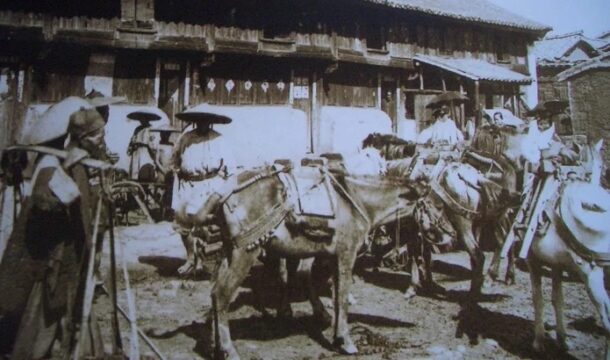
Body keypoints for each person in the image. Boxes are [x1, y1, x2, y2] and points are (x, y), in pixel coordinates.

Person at [0, 105, 111, 359]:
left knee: (72, 307)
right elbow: (41, 201)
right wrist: (64, 188)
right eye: (97, 135)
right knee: (44, 314)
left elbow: (84, 202)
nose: (102, 139)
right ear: (82, 138)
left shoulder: (84, 163)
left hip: (76, 252)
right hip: (52, 255)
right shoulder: (53, 162)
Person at [171, 111, 236, 275]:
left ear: (211, 122)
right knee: (183, 225)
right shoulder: (185, 138)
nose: (202, 124)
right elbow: (175, 160)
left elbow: (231, 169)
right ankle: (190, 259)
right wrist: (179, 175)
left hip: (210, 186)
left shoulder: (219, 139)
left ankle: (206, 261)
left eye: (205, 121)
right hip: (188, 185)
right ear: (194, 122)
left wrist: (223, 189)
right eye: (199, 121)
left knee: (208, 226)